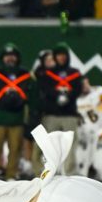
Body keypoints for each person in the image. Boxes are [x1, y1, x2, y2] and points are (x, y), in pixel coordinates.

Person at [34, 42, 86, 172]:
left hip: (69, 115)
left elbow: (78, 89)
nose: (61, 57)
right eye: (58, 55)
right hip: (52, 115)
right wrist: (57, 94)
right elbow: (44, 87)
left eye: (63, 55)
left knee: (70, 148)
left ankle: (69, 175)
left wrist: (67, 95)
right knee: (48, 147)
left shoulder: (74, 72)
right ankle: (47, 174)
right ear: (55, 57)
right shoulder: (48, 73)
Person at [0, 43, 34, 179]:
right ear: (3, 58)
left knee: (16, 149)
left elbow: (32, 96)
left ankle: (11, 174)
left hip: (17, 119)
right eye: (7, 56)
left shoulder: (26, 75)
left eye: (13, 56)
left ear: (17, 58)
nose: (10, 59)